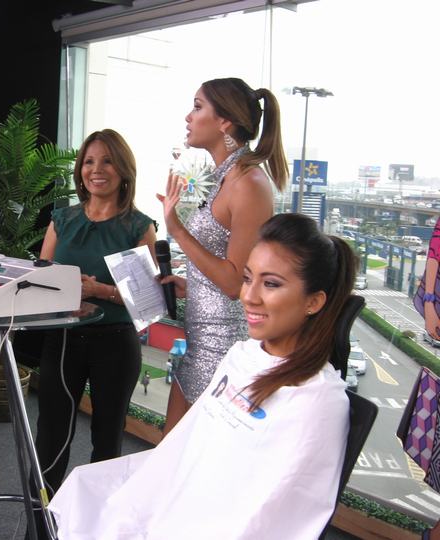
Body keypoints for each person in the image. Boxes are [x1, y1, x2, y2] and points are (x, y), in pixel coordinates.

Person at [48, 213, 357, 540]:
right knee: (85, 491)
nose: (249, 296)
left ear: (314, 302)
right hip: (182, 500)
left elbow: (274, 519)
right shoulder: (241, 356)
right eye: (248, 278)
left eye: (271, 284)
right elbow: (187, 448)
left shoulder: (316, 400)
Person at [31, 129, 157, 538]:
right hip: (63, 340)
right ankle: (41, 528)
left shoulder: (138, 227)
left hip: (115, 343)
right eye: (88, 161)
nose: (96, 169)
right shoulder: (62, 219)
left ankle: (99, 530)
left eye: (106, 161)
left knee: (107, 442)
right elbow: (41, 279)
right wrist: (61, 291)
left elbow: (146, 301)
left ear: (124, 170)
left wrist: (98, 291)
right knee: (51, 438)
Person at [158, 77, 288, 434]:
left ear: (224, 122)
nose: (188, 116)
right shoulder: (226, 176)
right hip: (199, 342)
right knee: (170, 455)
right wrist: (193, 286)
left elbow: (234, 283)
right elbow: (221, 268)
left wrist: (176, 228)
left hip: (222, 351)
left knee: (192, 459)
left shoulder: (249, 183)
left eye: (198, 107)